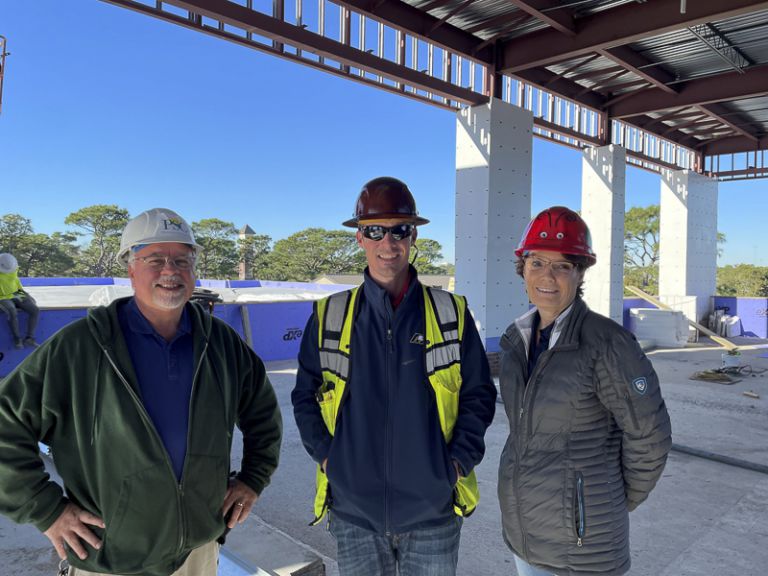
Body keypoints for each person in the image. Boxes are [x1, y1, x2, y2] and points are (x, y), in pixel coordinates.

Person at [0, 208, 282, 576]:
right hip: (112, 558)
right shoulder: (78, 348)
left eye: (183, 260)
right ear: (130, 268)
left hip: (198, 551)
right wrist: (46, 509)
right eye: (155, 259)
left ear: (194, 270)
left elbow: (263, 414)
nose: (171, 270)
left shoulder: (221, 344)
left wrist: (253, 478)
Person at [292, 177, 497, 576]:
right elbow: (304, 397)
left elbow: (479, 394)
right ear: (359, 238)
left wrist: (455, 464)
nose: (388, 243)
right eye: (375, 230)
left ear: (413, 235)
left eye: (399, 230)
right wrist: (330, 459)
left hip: (432, 513)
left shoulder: (450, 313)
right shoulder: (329, 316)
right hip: (355, 515)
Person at [497, 206, 672, 576]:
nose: (547, 276)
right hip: (525, 537)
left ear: (579, 273)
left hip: (583, 550)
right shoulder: (516, 339)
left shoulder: (608, 344)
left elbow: (649, 436)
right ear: (522, 269)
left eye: (562, 265)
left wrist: (602, 500)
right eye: (537, 262)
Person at [0, 252, 40, 349]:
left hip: (16, 292)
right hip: (2, 296)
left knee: (34, 309)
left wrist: (25, 294)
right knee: (12, 311)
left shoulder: (13, 267)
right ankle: (17, 339)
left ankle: (29, 338)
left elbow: (15, 280)